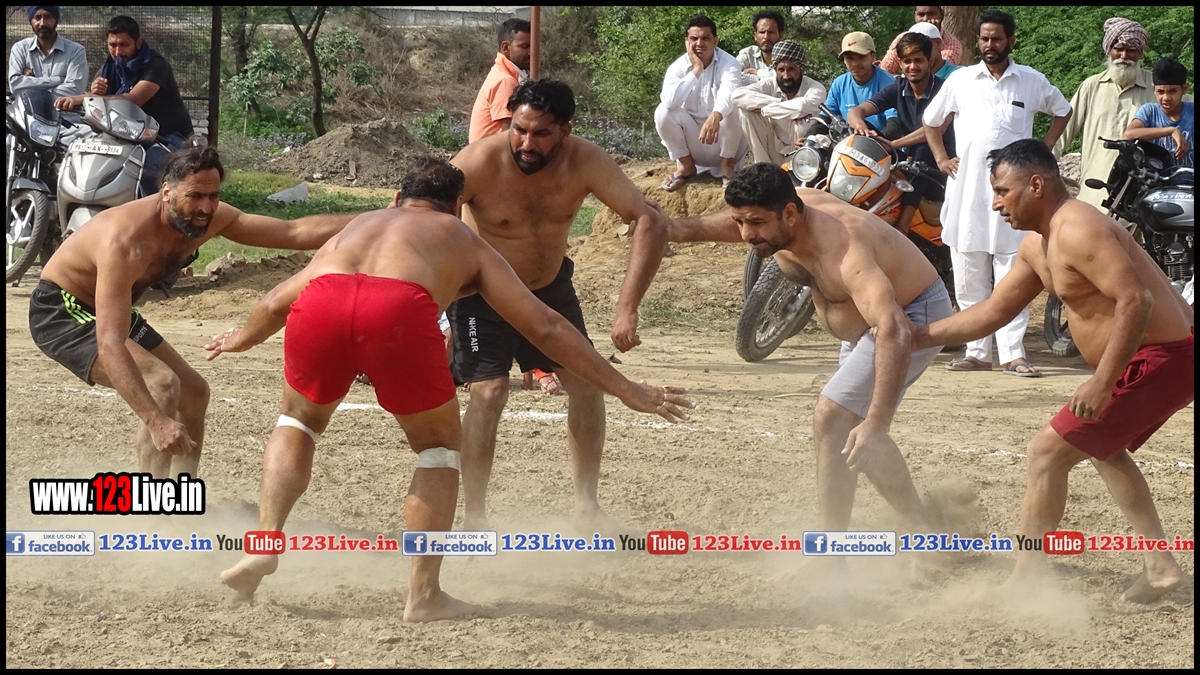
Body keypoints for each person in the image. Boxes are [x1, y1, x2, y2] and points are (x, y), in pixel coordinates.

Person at [209, 157, 692, 622]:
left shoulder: (356, 227)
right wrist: (625, 388)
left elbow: (275, 303)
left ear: (397, 199)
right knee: (438, 449)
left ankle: (265, 543)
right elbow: (544, 326)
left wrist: (239, 339)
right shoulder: (461, 236)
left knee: (297, 423)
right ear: (458, 206)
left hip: (322, 301)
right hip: (397, 308)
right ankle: (423, 595)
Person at [915, 139, 1192, 603]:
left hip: (1165, 356)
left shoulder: (1078, 228)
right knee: (1104, 448)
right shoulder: (1037, 245)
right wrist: (917, 336)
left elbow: (1135, 300)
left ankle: (1026, 577)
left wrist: (1103, 382)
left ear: (1036, 185)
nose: (996, 203)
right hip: (1158, 356)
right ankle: (1160, 565)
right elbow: (992, 312)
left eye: (1002, 191)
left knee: (1046, 452)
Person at [637, 163, 958, 557]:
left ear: (789, 214)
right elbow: (732, 224)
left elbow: (895, 330)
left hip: (910, 316)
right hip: (866, 324)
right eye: (740, 222)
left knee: (834, 417)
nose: (746, 234)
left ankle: (831, 555)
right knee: (849, 428)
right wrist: (674, 228)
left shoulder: (845, 249)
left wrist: (878, 422)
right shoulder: (779, 214)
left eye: (755, 223)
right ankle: (927, 533)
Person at [28, 143, 358, 480]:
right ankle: (152, 502)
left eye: (213, 196)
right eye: (195, 196)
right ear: (167, 192)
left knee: (194, 393)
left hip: (111, 309)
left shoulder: (211, 219)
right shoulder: (126, 242)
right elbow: (110, 343)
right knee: (162, 383)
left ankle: (181, 489)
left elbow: (294, 232)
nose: (205, 208)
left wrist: (372, 219)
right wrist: (157, 422)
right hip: (63, 310)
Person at [448, 79, 672, 531]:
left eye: (541, 133)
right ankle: (475, 517)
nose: (526, 143)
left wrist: (627, 306)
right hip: (483, 296)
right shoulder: (477, 163)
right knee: (489, 392)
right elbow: (422, 220)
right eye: (519, 129)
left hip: (548, 290)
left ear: (565, 131)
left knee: (587, 385)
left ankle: (586, 506)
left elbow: (648, 218)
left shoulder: (585, 161)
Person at [922, 9, 1073, 378]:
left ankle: (1013, 354)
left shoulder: (1031, 80)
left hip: (1015, 196)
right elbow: (931, 121)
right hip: (968, 192)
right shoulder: (961, 80)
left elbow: (1063, 111)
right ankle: (976, 351)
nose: (990, 45)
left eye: (997, 38)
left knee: (1012, 273)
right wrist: (941, 158)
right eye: (985, 38)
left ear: (1011, 41)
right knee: (969, 271)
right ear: (978, 40)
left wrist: (1044, 149)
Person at [53, 15, 194, 198]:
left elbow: (132, 100)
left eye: (124, 45)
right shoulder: (109, 68)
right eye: (112, 45)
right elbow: (98, 117)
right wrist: (95, 96)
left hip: (168, 137)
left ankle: (156, 212)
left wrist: (85, 98)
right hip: (128, 136)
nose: (118, 51)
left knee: (149, 167)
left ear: (138, 42)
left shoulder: (156, 65)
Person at [1052, 18, 1165, 208]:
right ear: (1109, 50)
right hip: (1093, 190)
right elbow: (1064, 130)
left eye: (1131, 50)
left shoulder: (1156, 87)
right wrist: (1043, 164)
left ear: (1140, 53)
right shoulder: (1091, 86)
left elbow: (1183, 107)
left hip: (1138, 193)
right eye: (1118, 49)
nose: (1124, 55)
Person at [848, 31, 954, 235]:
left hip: (940, 170)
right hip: (908, 163)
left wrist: (893, 145)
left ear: (930, 61)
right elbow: (856, 111)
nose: (912, 66)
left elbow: (933, 130)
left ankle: (902, 227)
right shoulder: (899, 86)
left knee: (922, 150)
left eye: (918, 60)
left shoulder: (944, 89)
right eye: (907, 61)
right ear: (900, 64)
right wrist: (860, 126)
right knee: (864, 136)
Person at [655, 14, 746, 191]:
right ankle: (686, 166)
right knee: (663, 111)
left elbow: (729, 93)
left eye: (705, 38)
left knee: (736, 102)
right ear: (686, 41)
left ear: (715, 41)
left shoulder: (730, 64)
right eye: (694, 39)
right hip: (693, 143)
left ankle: (727, 167)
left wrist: (716, 116)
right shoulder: (677, 67)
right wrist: (697, 69)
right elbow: (670, 101)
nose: (699, 43)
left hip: (725, 142)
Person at [731, 39, 827, 166]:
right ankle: (763, 168)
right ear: (775, 69)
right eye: (781, 69)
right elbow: (737, 95)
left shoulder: (815, 88)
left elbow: (801, 107)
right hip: (774, 150)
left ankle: (799, 170)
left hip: (804, 153)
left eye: (791, 69)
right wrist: (779, 102)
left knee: (802, 122)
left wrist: (764, 110)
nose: (786, 76)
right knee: (746, 112)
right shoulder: (769, 84)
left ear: (801, 70)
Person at [468, 18, 531, 144]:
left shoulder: (502, 74)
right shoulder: (505, 80)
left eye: (533, 46)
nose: (531, 53)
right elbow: (509, 135)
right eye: (524, 46)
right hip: (489, 155)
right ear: (506, 47)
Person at [7, 6, 88, 103]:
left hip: (63, 112)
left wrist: (31, 86)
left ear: (56, 20)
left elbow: (75, 90)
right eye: (37, 17)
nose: (42, 23)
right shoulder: (20, 49)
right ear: (30, 21)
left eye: (48, 17)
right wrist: (58, 80)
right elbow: (15, 85)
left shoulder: (75, 51)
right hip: (27, 112)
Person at [1125, 57, 1194, 169]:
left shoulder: (1191, 111)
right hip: (1156, 179)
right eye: (1160, 92)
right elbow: (1128, 135)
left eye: (1173, 91)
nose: (1166, 98)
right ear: (1154, 89)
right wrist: (1171, 131)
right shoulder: (1149, 111)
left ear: (1184, 89)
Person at [824, 32, 896, 133]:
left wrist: (876, 141)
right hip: (849, 141)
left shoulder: (889, 84)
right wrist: (809, 137)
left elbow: (894, 125)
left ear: (873, 56)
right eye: (849, 58)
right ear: (844, 60)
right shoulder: (839, 84)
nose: (855, 63)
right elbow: (825, 119)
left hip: (883, 140)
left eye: (861, 57)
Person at [879, 6, 963, 75]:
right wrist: (899, 81)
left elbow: (932, 71)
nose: (925, 19)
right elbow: (884, 71)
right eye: (921, 14)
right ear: (915, 16)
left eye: (931, 14)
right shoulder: (902, 38)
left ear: (942, 15)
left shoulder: (952, 44)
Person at [736, 9, 785, 87]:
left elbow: (785, 81)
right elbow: (733, 76)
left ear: (780, 35)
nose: (766, 37)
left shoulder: (788, 58)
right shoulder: (747, 54)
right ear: (755, 36)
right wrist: (769, 78)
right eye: (762, 32)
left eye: (771, 32)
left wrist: (757, 72)